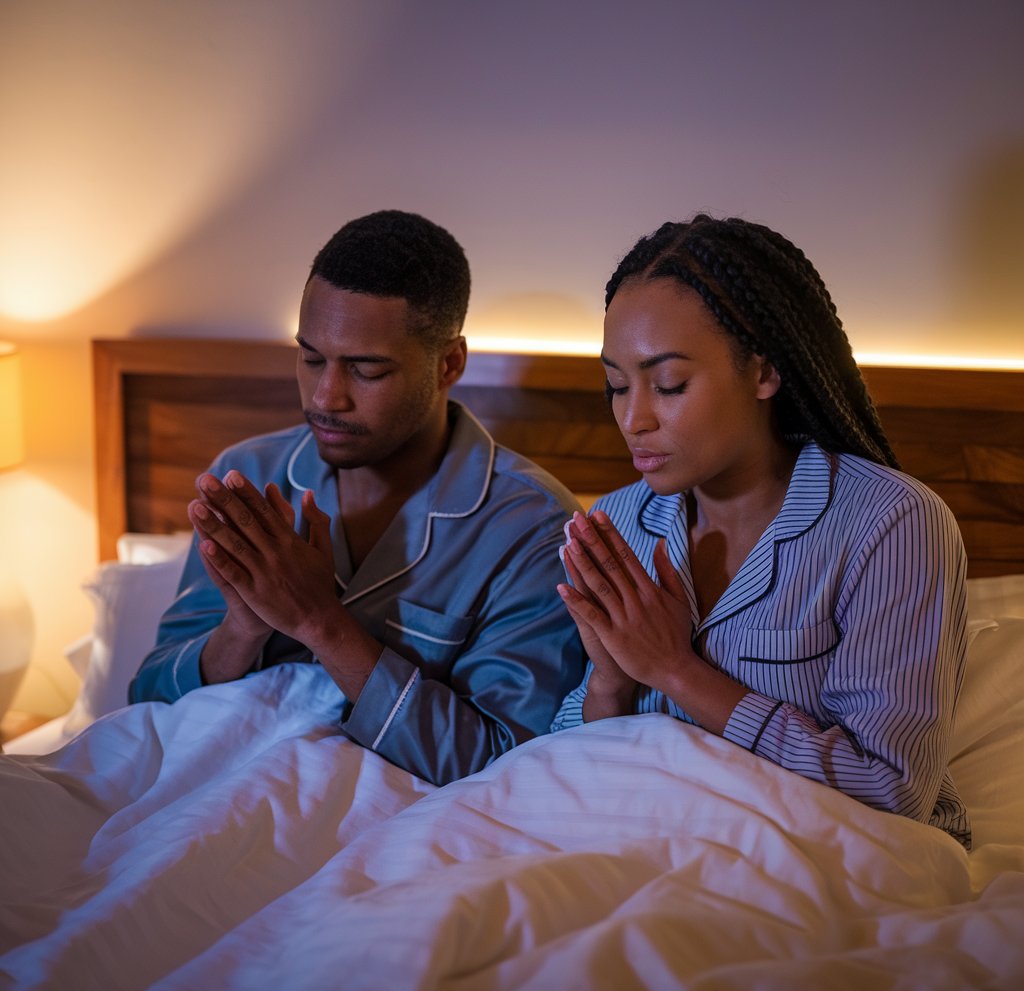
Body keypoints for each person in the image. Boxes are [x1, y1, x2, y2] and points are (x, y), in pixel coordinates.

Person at [551, 214, 970, 847]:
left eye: (668, 385)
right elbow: (555, 770)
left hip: (836, 860)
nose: (632, 419)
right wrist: (610, 683)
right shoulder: (620, 526)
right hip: (648, 839)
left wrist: (676, 670)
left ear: (763, 372)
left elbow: (893, 791)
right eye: (614, 385)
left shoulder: (889, 523)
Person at [130, 210, 585, 786]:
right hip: (198, 793)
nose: (326, 397)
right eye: (311, 358)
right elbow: (144, 698)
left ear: (449, 364)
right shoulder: (246, 475)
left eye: (366, 370)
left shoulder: (536, 530)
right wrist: (242, 629)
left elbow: (501, 765)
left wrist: (321, 623)